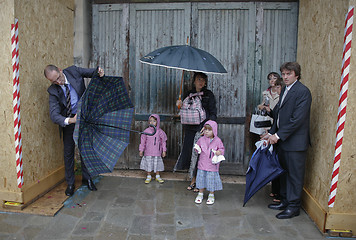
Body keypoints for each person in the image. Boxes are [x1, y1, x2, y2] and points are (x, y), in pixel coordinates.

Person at [44, 64, 104, 196]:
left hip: (84, 117)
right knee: (68, 152)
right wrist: (70, 120)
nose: (58, 82)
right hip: (69, 122)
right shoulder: (53, 91)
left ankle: (87, 179)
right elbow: (54, 115)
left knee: (85, 149)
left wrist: (99, 71)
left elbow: (92, 72)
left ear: (60, 70)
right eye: (54, 81)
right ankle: (70, 183)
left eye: (58, 78)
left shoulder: (73, 71)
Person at [262, 62, 312, 219]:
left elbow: (296, 120)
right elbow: (278, 114)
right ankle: (284, 200)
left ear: (296, 74)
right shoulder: (285, 90)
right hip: (283, 142)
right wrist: (270, 132)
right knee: (283, 173)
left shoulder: (303, 92)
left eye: (288, 74)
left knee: (294, 176)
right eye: (283, 74)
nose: (285, 77)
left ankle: (293, 206)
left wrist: (277, 136)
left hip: (295, 143)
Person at [174, 72, 217, 192]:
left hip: (203, 130)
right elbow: (183, 111)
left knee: (201, 156)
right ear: (194, 81)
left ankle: (197, 181)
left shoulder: (209, 95)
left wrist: (208, 127)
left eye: (203, 80)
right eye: (198, 79)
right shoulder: (189, 93)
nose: (201, 82)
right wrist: (179, 105)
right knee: (190, 153)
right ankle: (192, 178)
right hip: (190, 129)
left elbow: (213, 113)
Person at [193, 120, 225, 205]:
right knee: (201, 179)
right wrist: (197, 148)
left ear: (214, 130)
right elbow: (197, 147)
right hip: (202, 164)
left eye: (209, 130)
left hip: (212, 165)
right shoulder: (201, 139)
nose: (207, 131)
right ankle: (200, 193)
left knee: (211, 180)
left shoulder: (217, 140)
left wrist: (219, 152)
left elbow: (222, 148)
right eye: (205, 129)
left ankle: (211, 195)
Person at [139, 114, 167, 184]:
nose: (152, 122)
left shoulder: (160, 132)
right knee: (149, 163)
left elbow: (163, 141)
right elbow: (143, 142)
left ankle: (157, 175)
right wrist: (141, 150)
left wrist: (164, 150)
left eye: (154, 121)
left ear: (157, 122)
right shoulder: (146, 131)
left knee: (157, 163)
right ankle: (149, 176)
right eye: (150, 121)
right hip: (148, 151)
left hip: (157, 152)